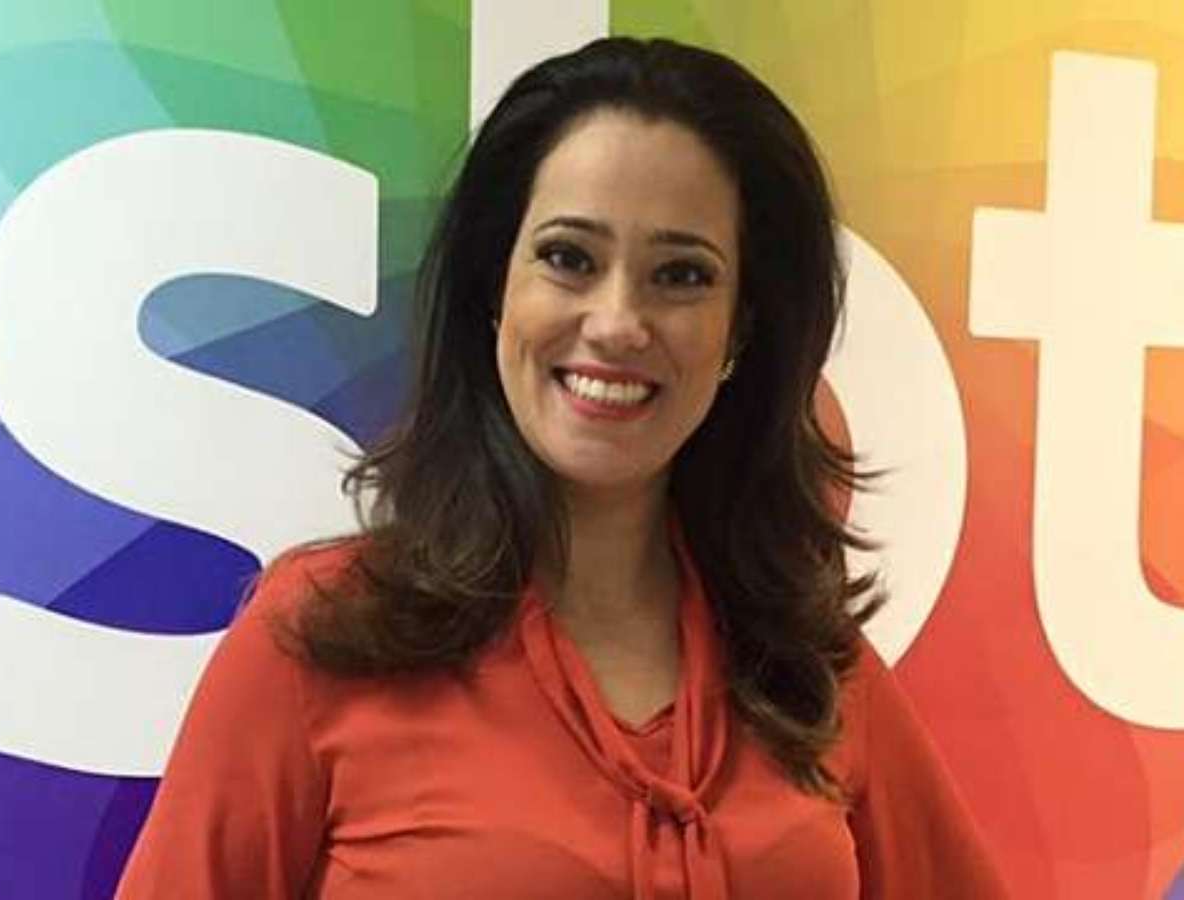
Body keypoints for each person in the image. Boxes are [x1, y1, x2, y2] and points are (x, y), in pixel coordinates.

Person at [116, 36, 1009, 899]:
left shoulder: (811, 668)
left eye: (682, 275)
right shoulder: (321, 637)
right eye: (568, 259)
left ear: (741, 330)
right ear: (494, 290)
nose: (617, 322)